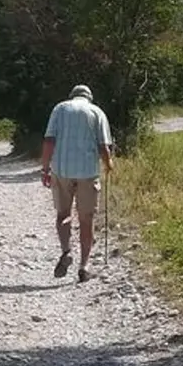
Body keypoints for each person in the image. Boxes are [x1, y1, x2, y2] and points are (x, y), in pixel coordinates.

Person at [40, 84, 114, 282]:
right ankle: (84, 266)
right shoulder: (97, 112)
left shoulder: (60, 109)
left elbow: (48, 141)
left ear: (71, 96)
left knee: (63, 214)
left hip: (62, 170)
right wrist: (109, 164)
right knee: (86, 219)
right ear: (88, 97)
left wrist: (45, 169)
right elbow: (103, 147)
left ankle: (66, 252)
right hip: (87, 173)